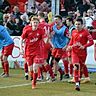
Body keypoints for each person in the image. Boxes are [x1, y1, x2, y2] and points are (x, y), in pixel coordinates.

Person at [21, 16, 55, 89]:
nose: (35, 24)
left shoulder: (41, 30)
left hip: (38, 52)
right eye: (34, 22)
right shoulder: (27, 30)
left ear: (38, 23)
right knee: (31, 69)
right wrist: (21, 49)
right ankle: (33, 76)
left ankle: (34, 84)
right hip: (28, 52)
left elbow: (45, 40)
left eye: (36, 22)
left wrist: (51, 43)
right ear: (31, 23)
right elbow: (22, 39)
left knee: (35, 67)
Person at [67, 18, 94, 91]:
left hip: (82, 53)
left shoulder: (86, 32)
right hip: (74, 52)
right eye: (76, 24)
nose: (77, 26)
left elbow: (91, 42)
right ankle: (77, 84)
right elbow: (71, 41)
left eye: (79, 24)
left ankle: (78, 79)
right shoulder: (73, 32)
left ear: (82, 25)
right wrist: (69, 46)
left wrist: (84, 46)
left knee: (80, 68)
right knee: (76, 66)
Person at [50, 15, 70, 80]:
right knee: (54, 61)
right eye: (55, 19)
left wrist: (66, 46)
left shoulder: (65, 29)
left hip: (62, 47)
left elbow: (70, 38)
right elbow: (49, 36)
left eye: (57, 19)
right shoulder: (53, 27)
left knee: (63, 60)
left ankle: (65, 73)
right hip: (55, 47)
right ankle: (59, 73)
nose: (55, 21)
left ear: (60, 20)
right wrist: (51, 36)